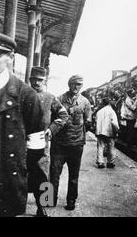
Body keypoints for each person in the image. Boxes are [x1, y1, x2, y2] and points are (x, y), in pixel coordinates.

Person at [0, 32, 44, 217]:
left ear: (10, 58)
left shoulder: (26, 95)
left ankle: (45, 206)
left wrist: (16, 168)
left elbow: (36, 147)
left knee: (46, 179)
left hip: (9, 180)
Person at [28, 66, 68, 217]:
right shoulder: (22, 94)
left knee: (44, 176)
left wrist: (51, 129)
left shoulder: (50, 98)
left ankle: (42, 208)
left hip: (42, 144)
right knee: (20, 174)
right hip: (23, 142)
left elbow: (63, 115)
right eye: (34, 79)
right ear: (30, 80)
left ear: (44, 81)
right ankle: (17, 205)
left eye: (40, 80)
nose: (37, 82)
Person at [50, 75, 92, 211]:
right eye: (74, 84)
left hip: (76, 145)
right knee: (54, 173)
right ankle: (50, 199)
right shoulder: (59, 99)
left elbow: (89, 122)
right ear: (69, 84)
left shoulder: (85, 102)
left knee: (74, 175)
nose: (76, 87)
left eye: (79, 84)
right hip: (59, 144)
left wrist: (78, 135)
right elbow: (52, 120)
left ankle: (71, 201)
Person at [95, 97, 119, 168]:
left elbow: (96, 122)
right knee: (111, 147)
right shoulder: (112, 111)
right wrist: (117, 130)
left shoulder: (99, 112)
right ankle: (110, 162)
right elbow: (114, 123)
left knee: (100, 146)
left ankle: (100, 162)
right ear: (109, 103)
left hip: (100, 132)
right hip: (109, 132)